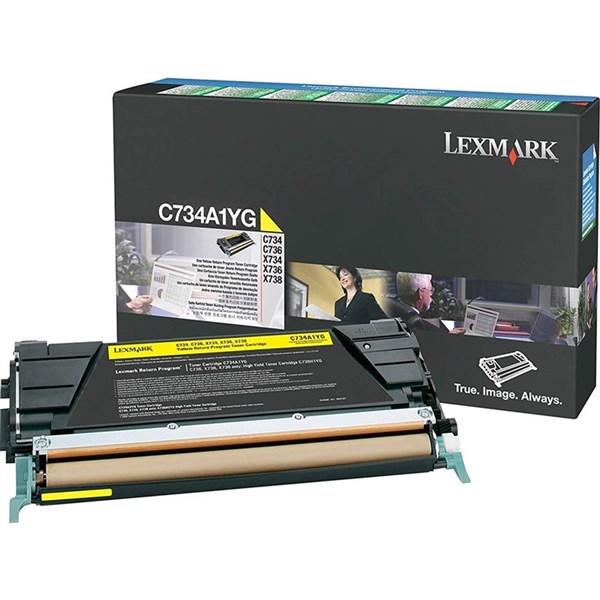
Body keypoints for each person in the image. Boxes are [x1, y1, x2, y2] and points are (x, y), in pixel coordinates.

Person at [383, 272, 452, 332]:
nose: (431, 294)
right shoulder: (421, 327)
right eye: (430, 290)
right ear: (421, 293)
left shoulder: (386, 308)